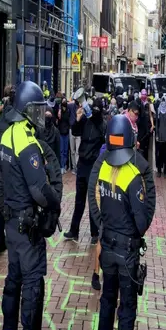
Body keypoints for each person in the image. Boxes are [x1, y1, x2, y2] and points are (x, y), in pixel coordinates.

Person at [0, 81, 62, 330]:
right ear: (27, 110)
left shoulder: (7, 135)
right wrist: (56, 202)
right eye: (38, 109)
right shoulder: (27, 141)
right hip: (27, 227)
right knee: (33, 285)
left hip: (11, 223)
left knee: (13, 282)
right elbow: (39, 190)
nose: (42, 114)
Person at [88, 114, 156, 330]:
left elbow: (98, 208)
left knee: (107, 303)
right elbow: (141, 222)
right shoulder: (133, 176)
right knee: (126, 310)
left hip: (107, 249)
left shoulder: (103, 169)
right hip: (127, 253)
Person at [64, 97, 106, 244]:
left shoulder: (102, 124)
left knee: (93, 200)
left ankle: (95, 232)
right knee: (79, 200)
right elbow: (75, 131)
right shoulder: (86, 121)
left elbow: (104, 141)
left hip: (94, 166)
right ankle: (74, 230)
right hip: (82, 164)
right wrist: (78, 118)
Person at [154, 96, 166, 177]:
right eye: (162, 101)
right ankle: (159, 170)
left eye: (164, 101)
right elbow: (157, 124)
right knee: (159, 155)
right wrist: (157, 135)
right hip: (159, 137)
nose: (163, 103)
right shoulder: (158, 111)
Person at [137, 89, 155, 162]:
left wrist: (152, 125)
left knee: (147, 147)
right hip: (140, 127)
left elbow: (150, 115)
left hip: (147, 127)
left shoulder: (148, 104)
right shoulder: (138, 103)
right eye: (143, 94)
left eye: (145, 94)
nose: (144, 96)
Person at [57, 96, 71, 173]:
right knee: (61, 151)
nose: (64, 103)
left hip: (66, 132)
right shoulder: (59, 111)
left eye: (65, 101)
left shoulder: (68, 110)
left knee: (66, 151)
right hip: (61, 132)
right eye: (63, 101)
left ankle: (64, 165)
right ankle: (62, 166)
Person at [68, 94, 80, 173]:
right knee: (72, 151)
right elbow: (64, 104)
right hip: (71, 129)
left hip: (79, 132)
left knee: (77, 151)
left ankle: (76, 167)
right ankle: (74, 166)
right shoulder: (71, 105)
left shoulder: (81, 107)